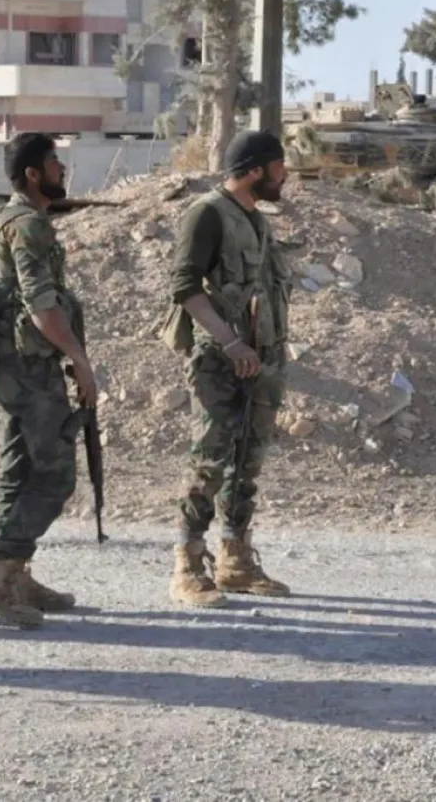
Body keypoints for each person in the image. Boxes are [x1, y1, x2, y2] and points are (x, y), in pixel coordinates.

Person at [159, 129, 295, 608]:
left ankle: (235, 559)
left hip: (261, 358)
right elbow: (184, 287)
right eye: (279, 167)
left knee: (247, 460)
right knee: (211, 460)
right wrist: (232, 341)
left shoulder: (256, 219)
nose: (285, 176)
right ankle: (188, 565)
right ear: (255, 170)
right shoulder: (207, 214)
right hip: (221, 359)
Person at [0, 132, 98, 629]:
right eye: (53, 162)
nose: (62, 170)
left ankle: (16, 574)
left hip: (15, 365)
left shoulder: (6, 220)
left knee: (20, 470)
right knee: (54, 474)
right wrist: (80, 362)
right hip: (28, 368)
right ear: (32, 174)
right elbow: (41, 303)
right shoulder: (27, 226)